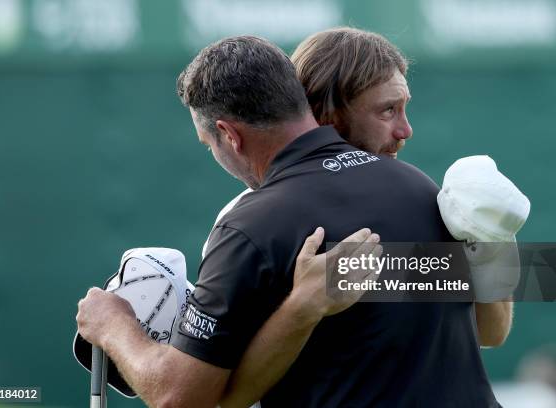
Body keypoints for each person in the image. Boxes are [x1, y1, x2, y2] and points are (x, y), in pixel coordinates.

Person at [78, 35, 500, 407]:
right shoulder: (419, 187)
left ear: (229, 135)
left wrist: (113, 325)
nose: (405, 130)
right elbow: (495, 324)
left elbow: (183, 399)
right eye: (388, 110)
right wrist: (499, 243)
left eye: (209, 145)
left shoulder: (249, 226)